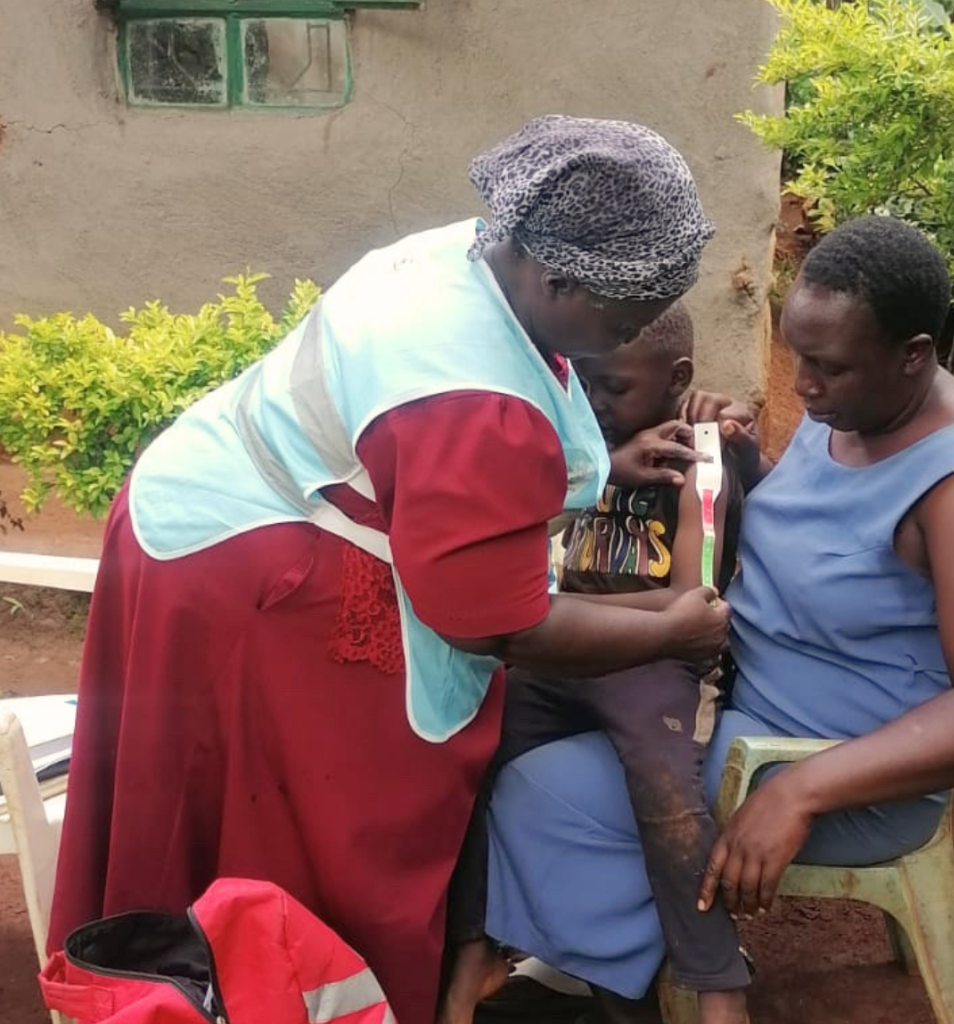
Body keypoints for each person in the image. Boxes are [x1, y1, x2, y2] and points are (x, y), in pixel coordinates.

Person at [47, 115, 733, 1024]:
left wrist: (604, 467)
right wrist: (673, 629)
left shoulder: (468, 254)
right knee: (313, 837)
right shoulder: (472, 405)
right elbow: (498, 625)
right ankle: (260, 992)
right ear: (555, 275)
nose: (629, 335)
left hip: (216, 509)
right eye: (625, 317)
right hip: (251, 578)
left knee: (222, 811)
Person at [481, 215, 954, 1019]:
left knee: (533, 789)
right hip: (740, 704)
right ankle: (614, 942)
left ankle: (644, 969)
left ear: (912, 355)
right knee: (533, 713)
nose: (801, 382)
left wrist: (800, 790)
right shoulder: (855, 406)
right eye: (797, 353)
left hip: (834, 765)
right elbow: (808, 525)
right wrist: (735, 456)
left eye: (826, 366)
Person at [441, 304, 750, 1024]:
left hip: (658, 665)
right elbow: (513, 526)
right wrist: (601, 467)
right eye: (585, 383)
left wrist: (565, 618)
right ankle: (473, 953)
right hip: (566, 653)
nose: (597, 402)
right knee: (469, 752)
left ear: (677, 380)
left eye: (614, 388)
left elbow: (691, 604)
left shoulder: (700, 453)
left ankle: (716, 983)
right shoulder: (579, 439)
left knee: (668, 797)